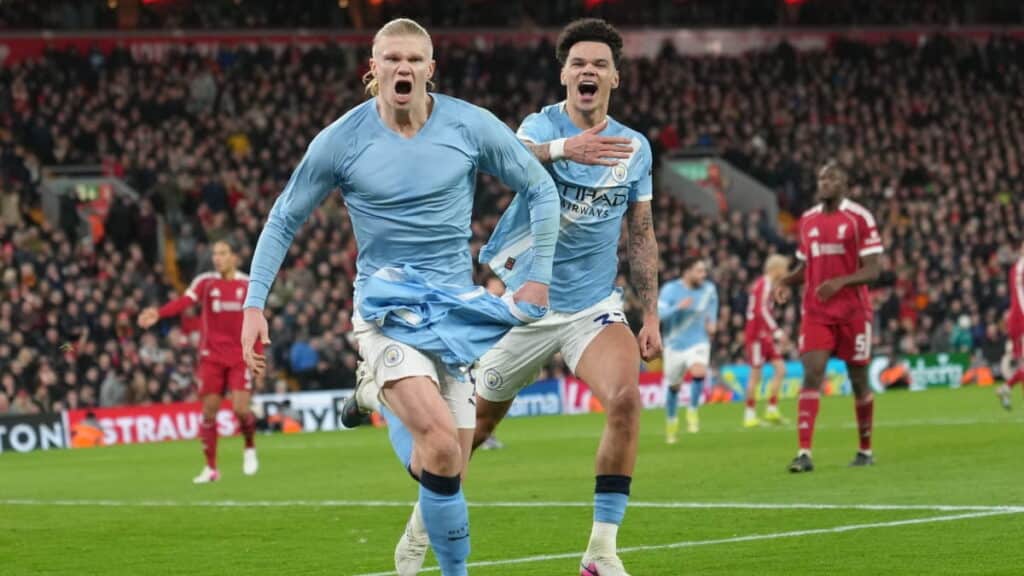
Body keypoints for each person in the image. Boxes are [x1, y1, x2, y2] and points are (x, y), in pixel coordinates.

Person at [240, 19, 560, 576]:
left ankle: (372, 395)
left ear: (430, 70)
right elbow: (284, 217)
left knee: (448, 466)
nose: (402, 68)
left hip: (454, 309)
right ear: (374, 67)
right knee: (438, 444)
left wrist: (540, 273)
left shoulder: (469, 125)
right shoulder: (342, 139)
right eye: (391, 59)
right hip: (387, 308)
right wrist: (253, 304)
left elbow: (538, 184)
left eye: (414, 59)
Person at [387, 18, 659, 576]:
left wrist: (650, 311)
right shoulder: (542, 124)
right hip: (526, 304)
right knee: (471, 434)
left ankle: (601, 552)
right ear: (564, 74)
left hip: (592, 308)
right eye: (579, 63)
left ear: (615, 78)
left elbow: (641, 231)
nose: (588, 70)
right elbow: (512, 158)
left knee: (627, 400)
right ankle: (422, 521)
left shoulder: (635, 149)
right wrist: (566, 149)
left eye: (599, 64)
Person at [773, 161, 883, 473]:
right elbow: (805, 268)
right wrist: (784, 282)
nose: (824, 182)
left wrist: (840, 282)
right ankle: (804, 452)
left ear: (845, 185)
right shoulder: (807, 221)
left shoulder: (859, 218)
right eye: (821, 177)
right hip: (816, 312)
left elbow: (875, 270)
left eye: (832, 177)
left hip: (853, 312)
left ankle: (865, 449)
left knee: (859, 380)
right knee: (812, 373)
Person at [138, 239, 259, 483]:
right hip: (211, 357)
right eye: (215, 254)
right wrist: (158, 313)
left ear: (234, 257)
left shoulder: (248, 285)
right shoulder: (205, 282)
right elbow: (184, 302)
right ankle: (211, 468)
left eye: (223, 253)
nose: (217, 258)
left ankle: (249, 446)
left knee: (240, 409)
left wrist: (256, 351)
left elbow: (256, 318)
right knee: (208, 413)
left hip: (238, 356)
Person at [659, 256, 718, 441]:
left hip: (699, 341)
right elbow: (659, 315)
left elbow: (713, 304)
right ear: (687, 272)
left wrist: (712, 322)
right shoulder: (670, 290)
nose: (704, 275)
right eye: (699, 271)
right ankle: (671, 422)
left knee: (699, 371)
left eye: (704, 271)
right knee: (674, 386)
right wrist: (678, 307)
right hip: (674, 345)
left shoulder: (708, 289)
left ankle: (692, 410)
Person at [742, 254, 790, 427]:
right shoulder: (764, 284)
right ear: (776, 268)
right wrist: (776, 331)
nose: (785, 272)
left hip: (765, 336)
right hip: (756, 335)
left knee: (781, 369)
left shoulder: (767, 285)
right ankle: (749, 415)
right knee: (756, 375)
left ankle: (771, 409)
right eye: (784, 268)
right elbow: (761, 310)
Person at [997, 240, 1024, 410]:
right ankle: (1006, 387)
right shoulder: (1021, 267)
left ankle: (1006, 388)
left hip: (1017, 320)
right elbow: (1021, 298)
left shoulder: (1016, 267)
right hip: (1021, 320)